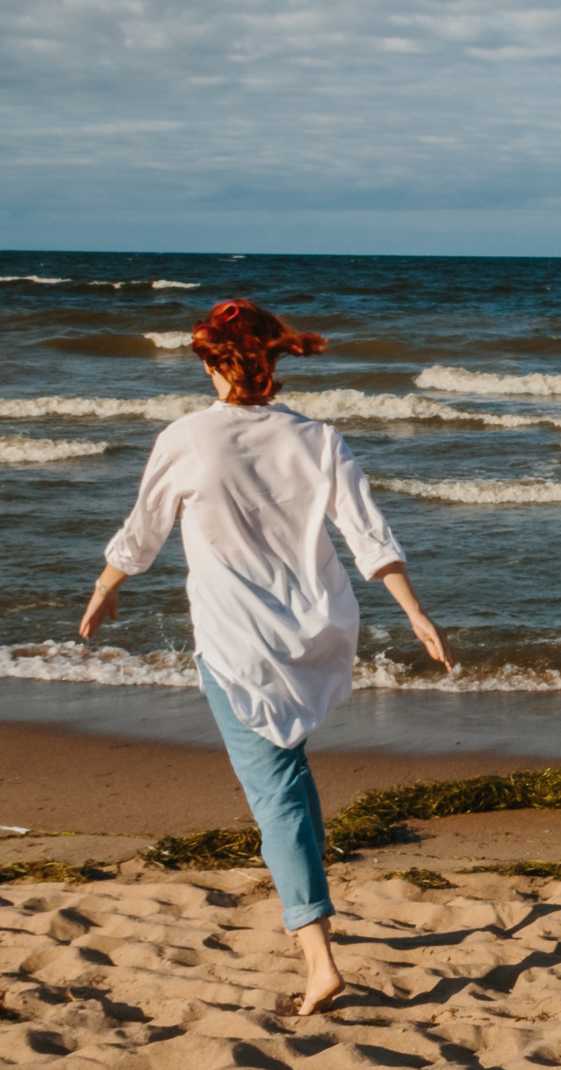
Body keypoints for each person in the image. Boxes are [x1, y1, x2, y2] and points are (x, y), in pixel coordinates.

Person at [77, 298, 456, 1014]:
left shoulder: (189, 437)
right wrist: (416, 614)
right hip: (314, 635)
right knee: (289, 768)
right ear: (273, 360)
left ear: (222, 360)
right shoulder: (318, 438)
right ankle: (316, 897)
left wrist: (104, 588)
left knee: (273, 789)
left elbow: (143, 530)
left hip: (236, 642)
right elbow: (369, 534)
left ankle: (317, 958)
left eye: (209, 359)